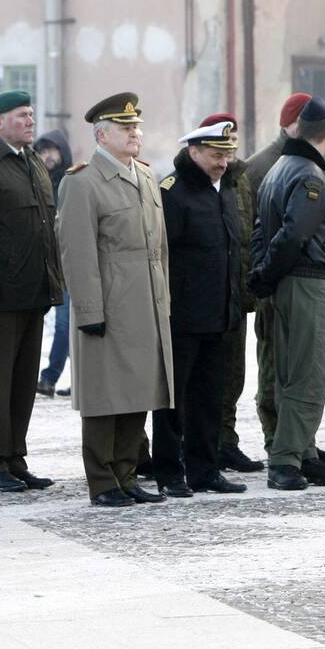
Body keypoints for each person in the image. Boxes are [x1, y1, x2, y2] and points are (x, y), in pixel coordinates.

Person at [57, 92, 171, 506]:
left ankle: (127, 473)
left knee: (139, 392)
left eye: (137, 128)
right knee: (105, 396)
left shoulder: (146, 176)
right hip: (110, 302)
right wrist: (88, 310)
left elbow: (160, 248)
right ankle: (102, 481)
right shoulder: (81, 181)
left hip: (146, 302)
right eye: (126, 129)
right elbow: (77, 250)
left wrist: (165, 301)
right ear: (102, 135)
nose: (135, 135)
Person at [249, 97, 325, 490]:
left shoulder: (278, 168)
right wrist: (269, 272)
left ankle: (302, 453)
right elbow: (293, 235)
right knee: (308, 375)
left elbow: (262, 230)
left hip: (287, 283)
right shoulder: (309, 176)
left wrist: (263, 274)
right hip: (306, 282)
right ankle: (287, 459)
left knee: (288, 373)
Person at [151, 120, 247, 496]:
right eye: (215, 154)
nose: (223, 161)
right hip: (183, 315)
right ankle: (170, 473)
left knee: (209, 398)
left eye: (227, 154)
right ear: (193, 153)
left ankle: (205, 470)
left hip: (219, 313)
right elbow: (162, 254)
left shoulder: (223, 189)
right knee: (173, 401)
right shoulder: (173, 191)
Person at [0, 90, 63, 492]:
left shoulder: (32, 161)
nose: (30, 121)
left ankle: (14, 456)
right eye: (22, 115)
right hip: (0, 296)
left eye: (32, 114)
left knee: (22, 382)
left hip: (33, 291)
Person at [200, 113, 263, 474]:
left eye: (232, 144)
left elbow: (251, 232)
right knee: (203, 377)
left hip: (236, 295)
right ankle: (199, 444)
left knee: (233, 374)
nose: (226, 154)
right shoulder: (191, 183)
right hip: (205, 298)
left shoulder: (240, 181)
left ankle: (226, 441)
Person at [33, 129, 74, 398]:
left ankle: (50, 377)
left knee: (65, 323)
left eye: (53, 150)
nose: (48, 156)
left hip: (67, 264)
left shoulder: (72, 182)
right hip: (39, 264)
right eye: (43, 150)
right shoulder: (33, 180)